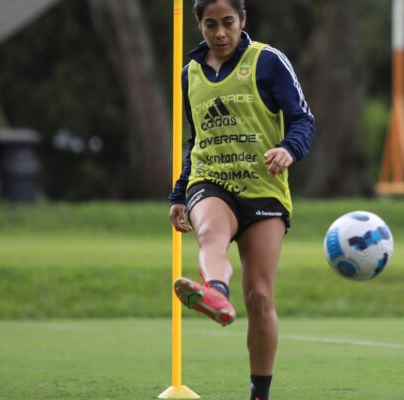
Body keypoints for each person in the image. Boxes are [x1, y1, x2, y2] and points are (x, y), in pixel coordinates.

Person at [167, 1, 314, 399]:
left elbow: (303, 119)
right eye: (210, 24)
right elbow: (194, 140)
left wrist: (288, 149)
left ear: (242, 20)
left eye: (227, 23)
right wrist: (180, 193)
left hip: (263, 188)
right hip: (211, 180)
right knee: (211, 232)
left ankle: (258, 394)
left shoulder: (268, 62)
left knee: (261, 297)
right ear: (198, 24)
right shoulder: (189, 75)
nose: (219, 33)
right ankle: (214, 290)